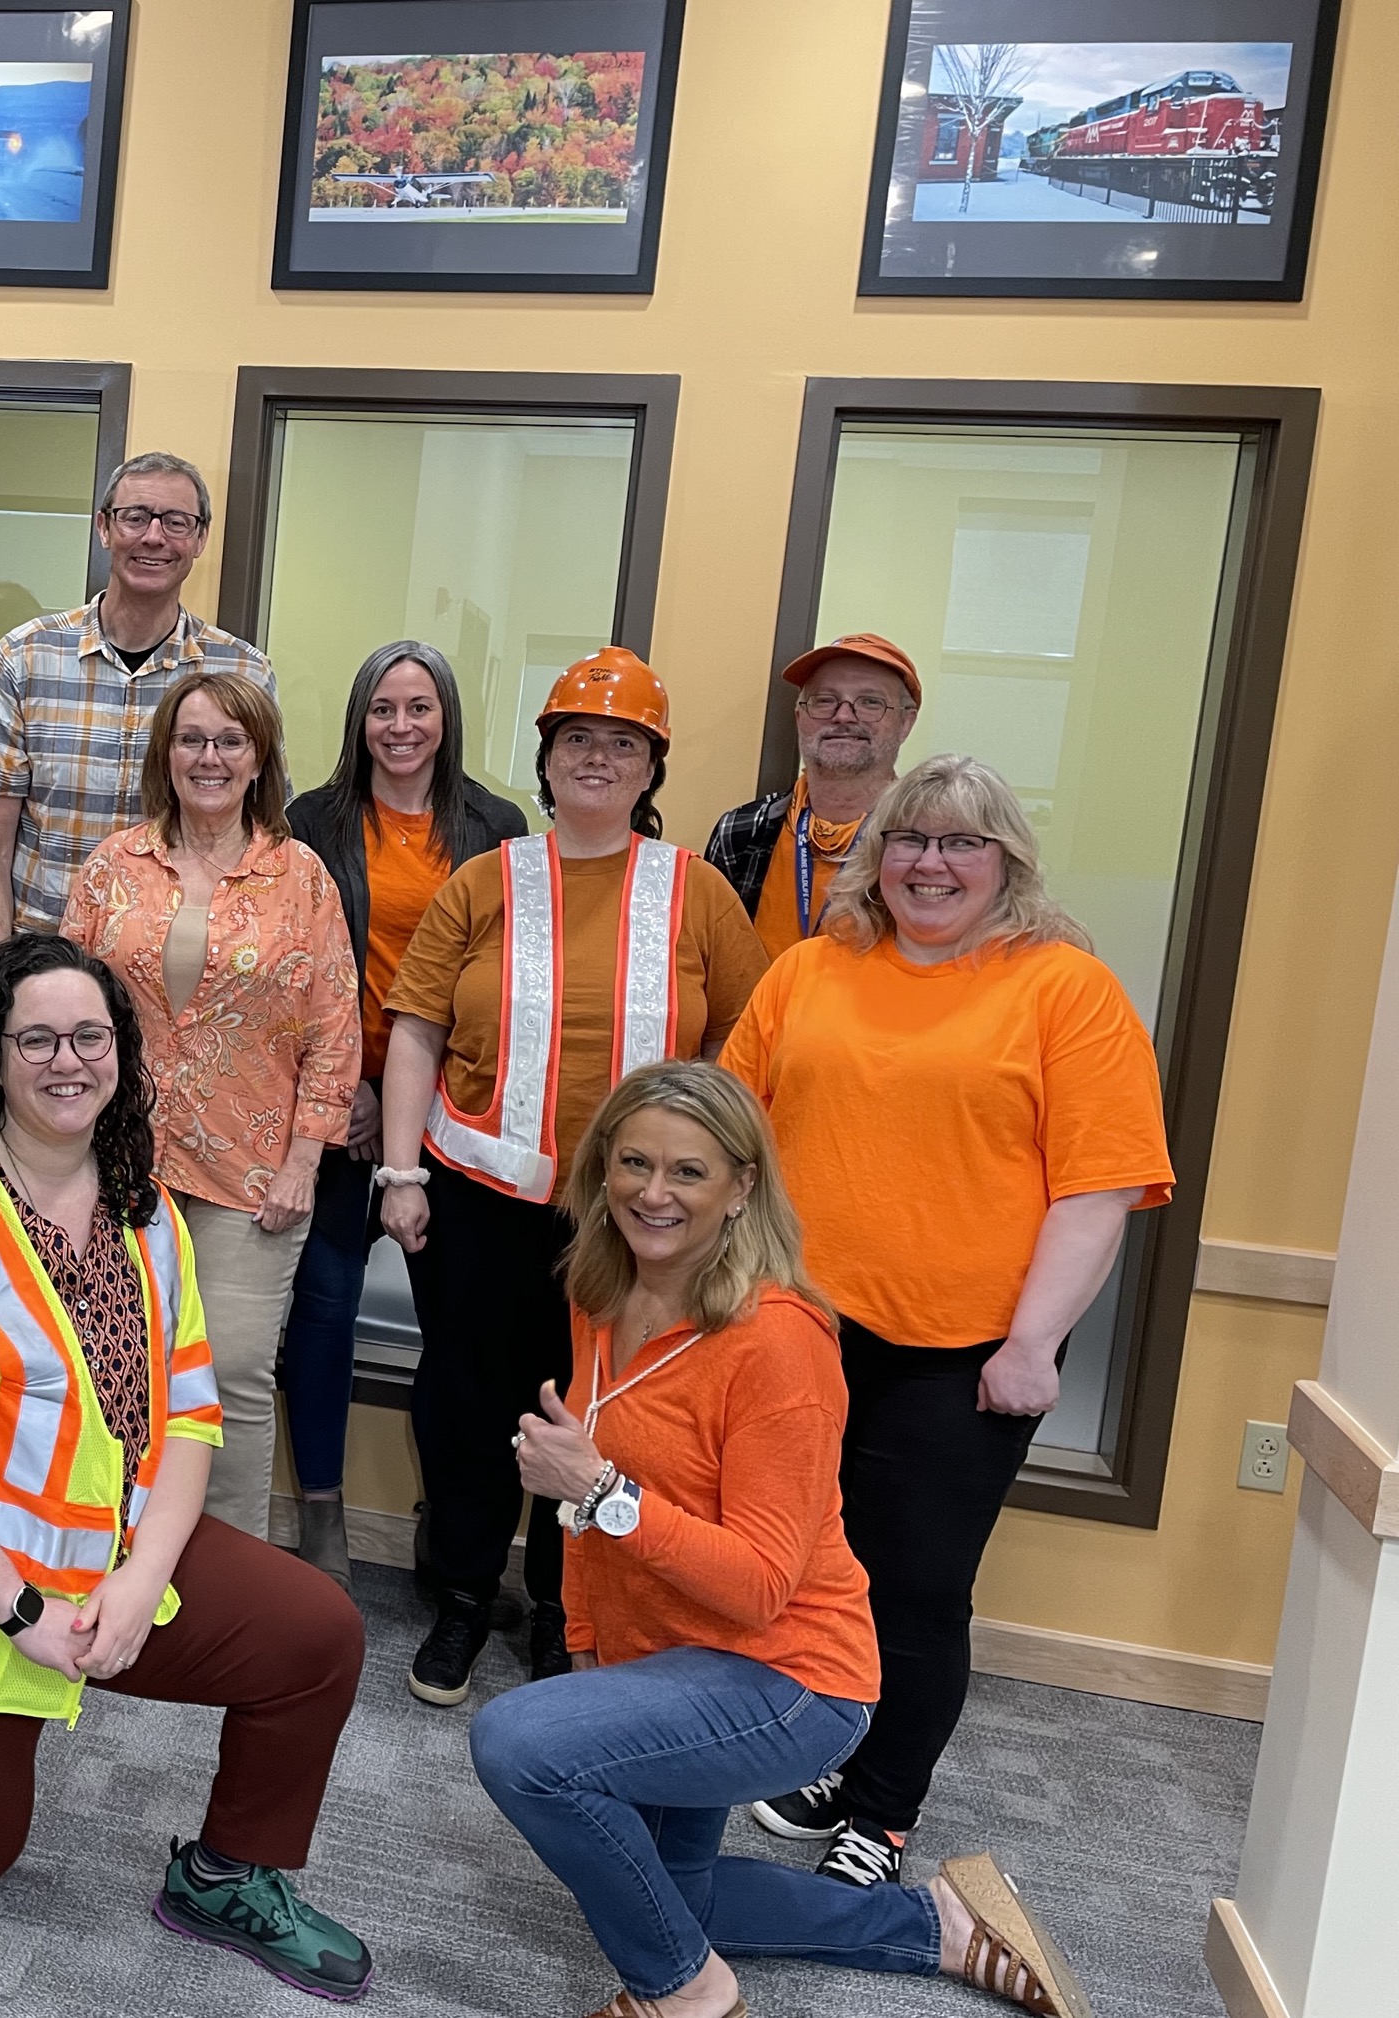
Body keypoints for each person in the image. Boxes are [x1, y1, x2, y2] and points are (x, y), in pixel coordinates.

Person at [471, 1061, 1094, 2018]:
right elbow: (589, 1509)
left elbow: (761, 1582)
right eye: (632, 1163)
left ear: (742, 1186)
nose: (653, 1192)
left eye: (689, 1171)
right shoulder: (602, 1291)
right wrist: (595, 1648)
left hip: (791, 1678)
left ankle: (687, 1994)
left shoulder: (779, 1341)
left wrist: (601, 1489)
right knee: (676, 1895)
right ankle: (942, 1927)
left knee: (519, 1744)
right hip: (672, 1658)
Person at [0, 932, 375, 2000]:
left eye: (88, 1037)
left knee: (319, 1636)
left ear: (121, 1056)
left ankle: (223, 1875)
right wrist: (31, 1623)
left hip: (105, 1568)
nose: (64, 1061)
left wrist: (139, 1583)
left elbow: (188, 1414)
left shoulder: (143, 1209)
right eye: (35, 1039)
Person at [723, 754, 1172, 1891]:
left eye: (961, 843)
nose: (931, 862)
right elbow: (733, 1131)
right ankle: (830, 1752)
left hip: (962, 1350)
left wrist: (1030, 1343)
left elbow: (1099, 1185)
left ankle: (882, 1812)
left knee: (915, 1586)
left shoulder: (1063, 989)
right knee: (812, 1565)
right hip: (799, 1330)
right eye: (911, 839)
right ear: (875, 855)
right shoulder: (811, 972)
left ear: (1006, 862)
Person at [376, 647, 767, 1703]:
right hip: (482, 1205)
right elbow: (412, 1027)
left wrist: (713, 1186)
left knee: (603, 1419)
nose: (598, 758)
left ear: (651, 770)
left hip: (641, 1222)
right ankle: (461, 1600)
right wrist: (400, 1174)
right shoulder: (486, 878)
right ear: (546, 762)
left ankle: (564, 1613)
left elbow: (746, 1041)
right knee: (466, 1406)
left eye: (623, 744)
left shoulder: (699, 894)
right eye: (578, 740)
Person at [60, 672, 357, 1541]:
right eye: (192, 739)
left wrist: (306, 1160)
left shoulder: (300, 876)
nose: (210, 757)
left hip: (252, 1173)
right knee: (103, 1360)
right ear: (166, 753)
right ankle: (103, 1546)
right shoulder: (114, 865)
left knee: (227, 1371)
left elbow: (336, 1029)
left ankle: (227, 1571)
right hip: (112, 1163)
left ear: (260, 756)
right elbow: (59, 1001)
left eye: (231, 740)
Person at [280, 641, 529, 1585]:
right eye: (382, 708)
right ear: (359, 719)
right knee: (324, 1314)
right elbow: (298, 968)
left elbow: (508, 985)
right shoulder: (312, 822)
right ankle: (323, 1516)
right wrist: (346, 1085)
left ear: (447, 717)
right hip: (342, 1109)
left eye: (418, 708)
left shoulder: (495, 825)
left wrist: (417, 1096)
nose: (400, 727)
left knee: (460, 1334)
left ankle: (451, 1523)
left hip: (455, 1115)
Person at [0, 453, 277, 959]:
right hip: (42, 961)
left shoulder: (243, 673)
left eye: (176, 522)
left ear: (200, 539)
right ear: (104, 528)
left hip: (179, 964)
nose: (155, 537)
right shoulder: (26, 657)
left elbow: (261, 835)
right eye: (136, 517)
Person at [705, 633, 922, 958]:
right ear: (799, 716)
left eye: (870, 702)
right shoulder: (741, 831)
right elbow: (705, 956)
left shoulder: (928, 843)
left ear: (906, 722)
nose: (844, 716)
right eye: (824, 700)